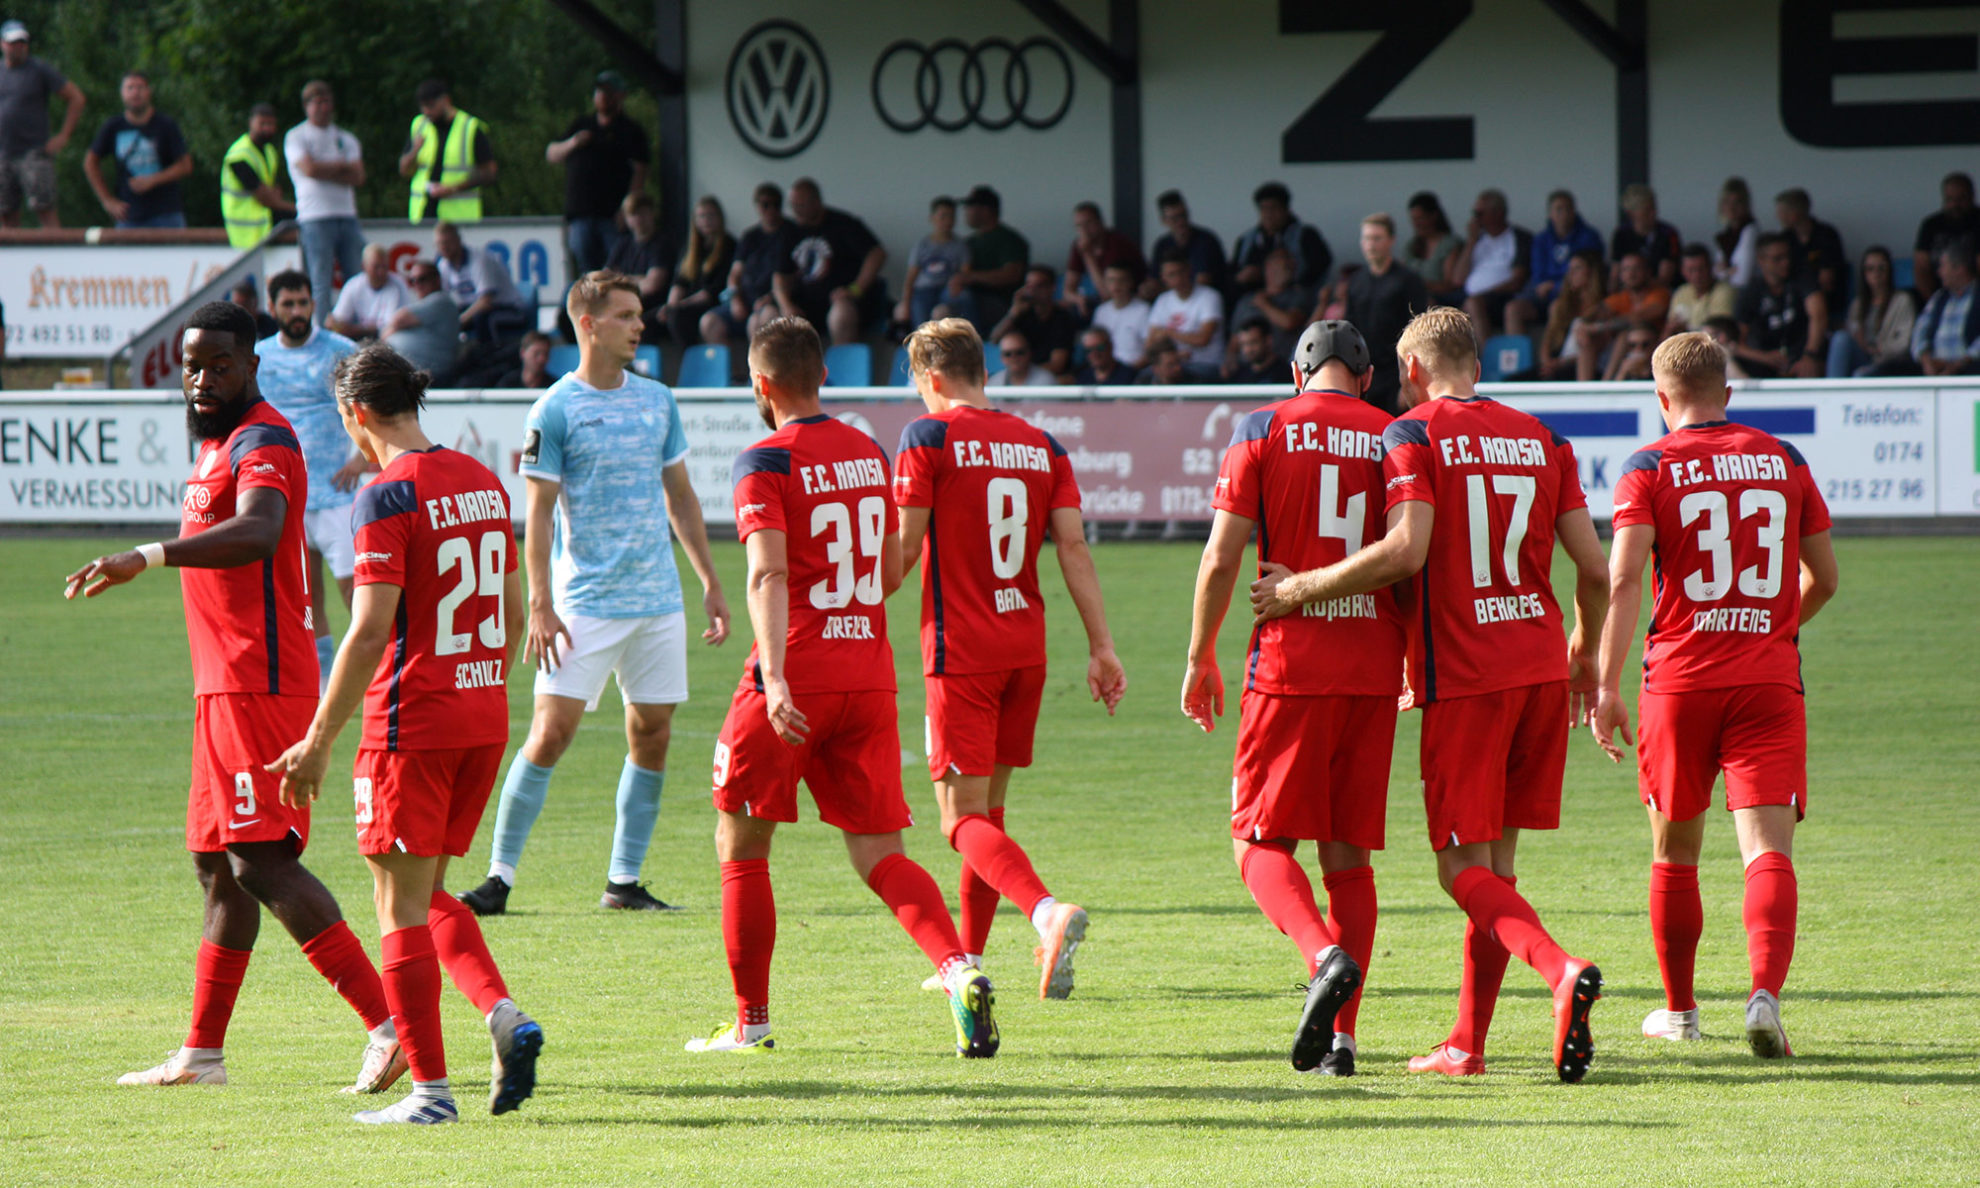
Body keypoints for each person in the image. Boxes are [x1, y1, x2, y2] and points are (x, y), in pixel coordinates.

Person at [1249, 306, 1609, 1083]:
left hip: (1469, 676)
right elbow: (1597, 569)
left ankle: (1559, 971)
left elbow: (1407, 551)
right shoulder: (1547, 440)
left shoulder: (1411, 435)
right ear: (1477, 362)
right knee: (1495, 871)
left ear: (1409, 372)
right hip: (1542, 666)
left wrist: (1304, 587)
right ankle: (1467, 1045)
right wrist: (1585, 652)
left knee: (1458, 869)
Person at [63, 301, 402, 1096]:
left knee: (260, 858)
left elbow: (257, 531)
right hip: (221, 684)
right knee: (216, 866)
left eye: (219, 364)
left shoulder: (266, 440)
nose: (203, 378)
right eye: (192, 365)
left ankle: (392, 1026)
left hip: (262, 681)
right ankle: (202, 1056)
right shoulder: (219, 442)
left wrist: (146, 555)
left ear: (252, 365)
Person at [689, 316, 998, 1057]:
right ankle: (958, 971)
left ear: (761, 386)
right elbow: (892, 565)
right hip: (869, 672)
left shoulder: (763, 460)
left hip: (796, 670)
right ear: (822, 375)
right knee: (878, 851)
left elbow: (766, 570)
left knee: (741, 841)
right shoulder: (866, 450)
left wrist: (775, 674)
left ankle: (751, 1023)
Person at [268, 341, 545, 1124]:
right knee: (423, 894)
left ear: (356, 415)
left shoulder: (386, 496)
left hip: (410, 724)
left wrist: (320, 737)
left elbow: (366, 631)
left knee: (397, 906)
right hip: (482, 714)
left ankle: (430, 1093)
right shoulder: (483, 482)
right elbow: (515, 614)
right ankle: (501, 1016)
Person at [1592, 331, 1839, 1059]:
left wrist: (1605, 684)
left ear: (1661, 398)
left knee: (1675, 854)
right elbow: (1824, 578)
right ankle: (1764, 996)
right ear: (1727, 394)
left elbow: (1625, 579)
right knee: (1768, 852)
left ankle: (1680, 1012)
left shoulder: (1647, 467)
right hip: (1767, 678)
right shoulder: (1785, 459)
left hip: (1680, 682)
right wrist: (1770, 627)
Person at [460, 271, 730, 917]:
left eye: (639, 314)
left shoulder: (658, 399)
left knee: (653, 733)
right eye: (626, 315)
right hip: (583, 603)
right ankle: (498, 878)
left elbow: (681, 497)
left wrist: (709, 581)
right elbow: (540, 516)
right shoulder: (553, 408)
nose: (640, 325)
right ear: (588, 324)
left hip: (657, 601)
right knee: (550, 734)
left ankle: (624, 882)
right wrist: (541, 603)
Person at [1184, 320, 1399, 1076]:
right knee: (1350, 861)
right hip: (1375, 666)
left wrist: (1199, 653)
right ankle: (1343, 1042)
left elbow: (1220, 558)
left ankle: (1322, 956)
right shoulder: (1395, 434)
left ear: (1298, 373)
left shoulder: (1263, 425)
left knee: (1257, 842)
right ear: (1368, 378)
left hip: (1290, 663)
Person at [896, 318, 1127, 999]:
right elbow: (1074, 550)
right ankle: (963, 961)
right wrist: (1103, 647)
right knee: (988, 814)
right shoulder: (1042, 445)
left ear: (932, 380)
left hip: (961, 651)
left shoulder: (928, 436)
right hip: (1025, 648)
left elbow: (905, 551)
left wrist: (843, 590)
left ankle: (1047, 913)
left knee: (959, 819)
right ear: (985, 374)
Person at [256, 268, 361, 688]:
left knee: (358, 593)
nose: (297, 311)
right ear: (273, 308)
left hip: (337, 493)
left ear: (314, 305)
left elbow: (371, 406)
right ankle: (322, 685)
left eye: (303, 303)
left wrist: (361, 457)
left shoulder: (341, 350)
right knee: (306, 597)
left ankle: (380, 673)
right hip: (289, 498)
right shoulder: (260, 357)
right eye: (288, 304)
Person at [548, 70, 648, 275]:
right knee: (586, 271)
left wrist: (627, 209)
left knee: (616, 269)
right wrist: (573, 143)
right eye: (599, 92)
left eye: (608, 93)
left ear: (620, 96)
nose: (602, 97)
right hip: (581, 214)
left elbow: (640, 171)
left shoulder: (630, 130)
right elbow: (552, 154)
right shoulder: (582, 124)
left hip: (612, 216)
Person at [287, 81, 366, 324]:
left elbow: (358, 176)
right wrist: (341, 166)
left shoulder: (345, 138)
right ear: (307, 107)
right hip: (315, 217)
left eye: (326, 102)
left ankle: (356, 333)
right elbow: (309, 169)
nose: (322, 107)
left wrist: (326, 168)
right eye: (316, 103)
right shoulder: (297, 136)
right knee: (321, 281)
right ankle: (320, 332)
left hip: (347, 213)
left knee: (355, 278)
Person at [773, 177, 886, 347]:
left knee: (841, 314)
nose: (797, 211)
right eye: (793, 205)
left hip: (842, 301)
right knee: (771, 318)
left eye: (801, 205)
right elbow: (780, 276)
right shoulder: (790, 231)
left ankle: (842, 370)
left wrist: (856, 288)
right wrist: (786, 305)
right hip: (806, 304)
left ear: (816, 201)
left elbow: (877, 254)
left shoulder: (843, 223)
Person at [0, 20, 84, 229]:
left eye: (22, 42)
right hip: (3, 154)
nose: (18, 46)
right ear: (3, 44)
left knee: (44, 208)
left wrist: (63, 135)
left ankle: (55, 257)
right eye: (13, 42)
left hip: (33, 152)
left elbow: (76, 97)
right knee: (5, 212)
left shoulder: (39, 70)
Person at [1342, 214, 1429, 414]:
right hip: (1365, 373)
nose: (1371, 245)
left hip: (1396, 373)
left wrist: (1409, 382)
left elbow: (1420, 333)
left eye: (1377, 238)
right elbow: (1349, 329)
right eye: (1366, 238)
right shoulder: (1356, 281)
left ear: (1391, 240)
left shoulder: (1409, 280)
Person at [83, 71, 190, 229]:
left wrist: (153, 180)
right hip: (129, 216)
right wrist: (107, 201)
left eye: (140, 87)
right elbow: (90, 162)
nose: (135, 93)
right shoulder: (113, 127)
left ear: (149, 91)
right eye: (130, 88)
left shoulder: (166, 125)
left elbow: (185, 165)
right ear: (122, 93)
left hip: (167, 214)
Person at [702, 181, 793, 349]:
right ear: (758, 206)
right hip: (745, 299)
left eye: (775, 204)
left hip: (772, 302)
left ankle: (759, 373)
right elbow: (735, 274)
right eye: (766, 205)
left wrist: (771, 297)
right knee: (709, 322)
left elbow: (793, 275)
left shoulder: (791, 233)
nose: (771, 209)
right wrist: (735, 298)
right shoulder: (749, 237)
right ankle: (733, 374)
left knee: (759, 322)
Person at [1879, 237, 1980, 376]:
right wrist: (1926, 361)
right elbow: (1920, 330)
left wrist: (1959, 364)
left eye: (1943, 266)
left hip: (1969, 367)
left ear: (1959, 269)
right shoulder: (1939, 298)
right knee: (1889, 369)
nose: (1939, 272)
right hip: (1934, 366)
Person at [1507, 190, 1602, 336]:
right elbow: (1537, 272)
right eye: (1558, 209)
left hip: (1571, 293)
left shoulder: (1589, 237)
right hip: (1543, 293)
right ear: (1550, 213)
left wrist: (1557, 285)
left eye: (1567, 208)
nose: (1563, 213)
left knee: (1556, 306)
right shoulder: (1541, 239)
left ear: (1574, 211)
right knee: (1513, 308)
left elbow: (1582, 273)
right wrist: (1542, 285)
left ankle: (1552, 352)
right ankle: (1518, 356)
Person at [401, 79, 494, 224]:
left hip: (459, 218)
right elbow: (404, 170)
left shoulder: (470, 128)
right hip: (422, 215)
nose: (426, 111)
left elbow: (489, 173)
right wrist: (414, 150)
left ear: (445, 100)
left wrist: (452, 188)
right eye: (423, 107)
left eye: (431, 106)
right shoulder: (419, 125)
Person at [1733, 233, 1826, 379]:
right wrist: (1765, 357)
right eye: (1777, 259)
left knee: (1812, 367)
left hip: (1802, 355)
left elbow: (1819, 315)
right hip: (1766, 361)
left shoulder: (1802, 277)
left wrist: (1810, 355)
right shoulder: (1751, 291)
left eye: (1787, 256)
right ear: (1761, 260)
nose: (1785, 263)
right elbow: (1736, 342)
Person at [1574, 252, 1669, 381]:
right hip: (1618, 352)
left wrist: (1596, 328)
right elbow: (1591, 315)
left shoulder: (1659, 293)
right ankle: (1584, 391)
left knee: (1624, 336)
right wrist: (1583, 326)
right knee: (1587, 340)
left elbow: (1637, 317)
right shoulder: (1620, 298)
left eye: (1636, 268)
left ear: (1647, 271)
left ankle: (1606, 384)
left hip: (1650, 347)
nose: (1631, 273)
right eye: (1626, 269)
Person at [1451, 189, 1531, 339]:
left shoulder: (1519, 238)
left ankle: (1487, 357)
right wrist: (1471, 242)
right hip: (1470, 297)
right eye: (1474, 213)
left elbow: (1518, 280)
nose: (1475, 219)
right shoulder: (1476, 241)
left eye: (1480, 214)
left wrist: (1483, 295)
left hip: (1502, 297)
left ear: (1498, 213)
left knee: (1473, 304)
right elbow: (1457, 279)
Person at [434, 220, 529, 346]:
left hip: (510, 309)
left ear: (458, 240)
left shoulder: (479, 260)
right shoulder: (444, 265)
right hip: (475, 307)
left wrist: (459, 322)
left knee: (484, 319)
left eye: (447, 242)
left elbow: (486, 302)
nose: (443, 247)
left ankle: (489, 357)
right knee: (445, 318)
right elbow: (442, 298)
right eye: (439, 244)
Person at [1825, 247, 1916, 377]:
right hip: (1863, 357)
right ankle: (1831, 392)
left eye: (1881, 268)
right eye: (1870, 269)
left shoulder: (1902, 300)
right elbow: (1852, 335)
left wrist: (1878, 349)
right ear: (1864, 273)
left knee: (1860, 375)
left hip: (1888, 361)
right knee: (1840, 338)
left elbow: (1904, 343)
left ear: (1889, 271)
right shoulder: (1858, 304)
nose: (1876, 273)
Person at [1233, 181, 1332, 300]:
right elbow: (1233, 270)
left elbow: (1320, 265)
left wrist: (1297, 283)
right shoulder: (1246, 240)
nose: (1269, 214)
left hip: (1295, 299)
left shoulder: (1305, 235)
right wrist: (1241, 278)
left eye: (1274, 208)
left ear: (1286, 209)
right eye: (1264, 209)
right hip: (1253, 299)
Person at [657, 195, 732, 345]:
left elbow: (712, 291)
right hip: (688, 302)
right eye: (701, 216)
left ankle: (691, 358)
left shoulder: (729, 246)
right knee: (653, 318)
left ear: (720, 217)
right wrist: (670, 305)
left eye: (711, 215)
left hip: (712, 303)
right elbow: (679, 282)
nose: (706, 220)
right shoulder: (690, 249)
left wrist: (680, 305)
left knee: (678, 315)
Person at [954, 184, 1029, 332]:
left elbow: (1012, 274)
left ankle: (972, 346)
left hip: (1000, 304)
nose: (965, 212)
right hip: (967, 300)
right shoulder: (969, 242)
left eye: (970, 206)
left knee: (950, 310)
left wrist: (970, 277)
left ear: (985, 210)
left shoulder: (1008, 239)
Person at [219, 105, 292, 251]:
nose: (267, 129)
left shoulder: (269, 152)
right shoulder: (239, 154)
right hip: (243, 231)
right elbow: (266, 197)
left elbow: (275, 191)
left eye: (270, 124)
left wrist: (272, 197)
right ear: (251, 123)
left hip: (263, 227)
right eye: (262, 124)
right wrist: (301, 209)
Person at [989, 265, 1078, 378]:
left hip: (1052, 379)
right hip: (1022, 377)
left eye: (1039, 286)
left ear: (1052, 287)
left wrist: (1023, 372)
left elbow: (1057, 365)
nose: (1032, 290)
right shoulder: (1022, 314)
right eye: (1029, 285)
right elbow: (994, 339)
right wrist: (1013, 313)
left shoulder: (1062, 318)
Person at [1147, 250, 1225, 378]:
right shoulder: (1162, 300)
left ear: (1189, 270)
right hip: (1169, 366)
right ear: (1163, 277)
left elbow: (1203, 339)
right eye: (1171, 274)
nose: (1178, 279)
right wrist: (1175, 356)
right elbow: (1150, 345)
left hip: (1204, 365)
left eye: (1180, 272)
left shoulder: (1209, 296)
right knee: (1145, 377)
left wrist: (1168, 333)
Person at [896, 195, 970, 330]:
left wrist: (958, 282)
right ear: (932, 218)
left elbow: (965, 272)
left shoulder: (960, 246)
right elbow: (911, 277)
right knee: (920, 319)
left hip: (947, 289)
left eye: (951, 217)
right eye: (943, 216)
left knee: (961, 299)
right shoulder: (922, 245)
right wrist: (905, 302)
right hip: (924, 291)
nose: (947, 221)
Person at [1062, 201, 1146, 318]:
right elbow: (1067, 290)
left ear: (1100, 222)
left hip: (1129, 298)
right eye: (1079, 226)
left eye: (1088, 223)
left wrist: (1088, 255)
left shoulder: (1117, 244)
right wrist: (1078, 299)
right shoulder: (1078, 245)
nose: (1084, 230)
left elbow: (1107, 293)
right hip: (1097, 298)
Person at [382, 260, 461, 384]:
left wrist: (392, 331)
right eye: (413, 280)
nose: (417, 284)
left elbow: (398, 319)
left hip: (434, 373)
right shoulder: (422, 304)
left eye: (422, 279)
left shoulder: (442, 301)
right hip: (410, 373)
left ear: (437, 279)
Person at [1774, 188, 1846, 317]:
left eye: (1782, 212)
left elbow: (1827, 279)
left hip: (1823, 301)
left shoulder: (1826, 235)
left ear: (1796, 212)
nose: (1778, 216)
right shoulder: (1785, 238)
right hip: (1790, 301)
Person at [604, 190, 672, 326]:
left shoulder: (662, 244)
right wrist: (639, 278)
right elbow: (604, 277)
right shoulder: (623, 243)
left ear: (652, 213)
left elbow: (652, 285)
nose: (638, 219)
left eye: (643, 213)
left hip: (650, 306)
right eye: (633, 214)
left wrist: (621, 279)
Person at [1538, 250, 1607, 381]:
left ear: (1592, 272)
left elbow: (1598, 347)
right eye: (1570, 269)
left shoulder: (1604, 307)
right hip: (1556, 364)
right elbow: (1547, 340)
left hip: (1582, 365)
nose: (1571, 274)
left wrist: (1559, 364)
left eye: (1578, 268)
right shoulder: (1560, 305)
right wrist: (1547, 362)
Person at [1147, 189, 1228, 300]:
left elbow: (1202, 281)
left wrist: (1167, 287)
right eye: (1174, 219)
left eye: (1183, 216)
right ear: (1164, 221)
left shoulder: (1206, 240)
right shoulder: (1162, 244)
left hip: (1203, 300)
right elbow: (1154, 281)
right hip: (1172, 300)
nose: (1181, 222)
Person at [1232, 249, 1309, 363]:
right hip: (1248, 368)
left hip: (1284, 366)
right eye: (1285, 263)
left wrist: (1264, 305)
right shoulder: (1246, 300)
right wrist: (1230, 358)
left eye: (1292, 264)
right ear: (1268, 267)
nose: (1291, 267)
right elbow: (1234, 339)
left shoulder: (1297, 296)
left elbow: (1289, 323)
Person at [1912, 172, 1977, 302]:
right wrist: (1934, 303)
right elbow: (1921, 267)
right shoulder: (1931, 225)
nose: (1955, 205)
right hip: (1937, 295)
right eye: (1949, 199)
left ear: (1972, 197)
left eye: (1960, 199)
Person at [329, 244, 414, 341]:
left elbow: (392, 327)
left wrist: (354, 329)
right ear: (364, 266)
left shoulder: (398, 285)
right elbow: (337, 322)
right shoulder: (353, 285)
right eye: (376, 267)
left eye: (385, 267)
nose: (381, 272)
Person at [1612, 184, 1682, 290]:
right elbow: (1615, 274)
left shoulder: (1668, 234)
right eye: (1647, 210)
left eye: (1654, 207)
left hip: (1661, 292)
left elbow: (1665, 278)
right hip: (1628, 292)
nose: (1654, 213)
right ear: (1631, 214)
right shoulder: (1621, 234)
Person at [1090, 262, 1152, 369]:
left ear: (1130, 282)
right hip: (1106, 371)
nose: (1116, 285)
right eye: (1111, 280)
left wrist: (1128, 371)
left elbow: (1150, 351)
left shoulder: (1144, 310)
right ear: (1105, 282)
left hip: (1134, 370)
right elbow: (1093, 346)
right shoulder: (1101, 311)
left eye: (1121, 280)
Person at [1402, 191, 1461, 300]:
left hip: (1440, 300)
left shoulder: (1450, 244)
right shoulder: (1411, 246)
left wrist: (1419, 284)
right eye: (1413, 219)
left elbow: (1449, 285)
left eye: (1420, 219)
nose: (1416, 224)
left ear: (1433, 216)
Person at [1666, 244, 1737, 334]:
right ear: (1682, 271)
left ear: (1711, 267)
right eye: (1691, 270)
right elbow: (1670, 327)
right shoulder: (1681, 292)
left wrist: (1685, 330)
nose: (1697, 275)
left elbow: (1718, 332)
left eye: (1701, 269)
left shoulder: (1725, 291)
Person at [1714, 178, 1759, 289]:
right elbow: (1715, 272)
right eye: (1727, 202)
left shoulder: (1750, 231)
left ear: (1745, 205)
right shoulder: (1726, 233)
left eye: (1737, 202)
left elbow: (1742, 277)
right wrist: (1729, 271)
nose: (1731, 208)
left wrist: (1724, 272)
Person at [1221, 318, 1286, 384]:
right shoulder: (1238, 375)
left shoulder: (1286, 373)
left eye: (1253, 342)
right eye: (1243, 344)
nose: (1248, 349)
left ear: (1268, 341)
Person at [986, 331, 1054, 387]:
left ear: (1029, 353)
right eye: (1008, 354)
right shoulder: (993, 383)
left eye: (1019, 352)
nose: (1014, 358)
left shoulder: (1046, 381)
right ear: (1001, 357)